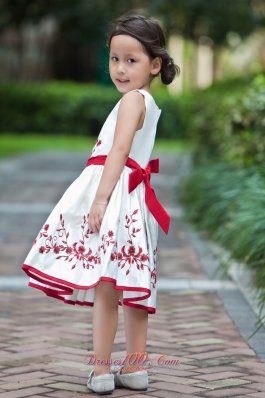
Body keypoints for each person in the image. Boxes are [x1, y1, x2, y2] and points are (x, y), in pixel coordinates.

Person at [21, 13, 180, 395]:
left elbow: (120, 151)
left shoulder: (131, 102)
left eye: (132, 60)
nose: (121, 69)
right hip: (135, 201)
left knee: (107, 287)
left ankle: (103, 370)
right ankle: (136, 368)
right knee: (133, 285)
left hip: (117, 197)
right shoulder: (147, 101)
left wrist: (101, 199)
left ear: (154, 64)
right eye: (114, 59)